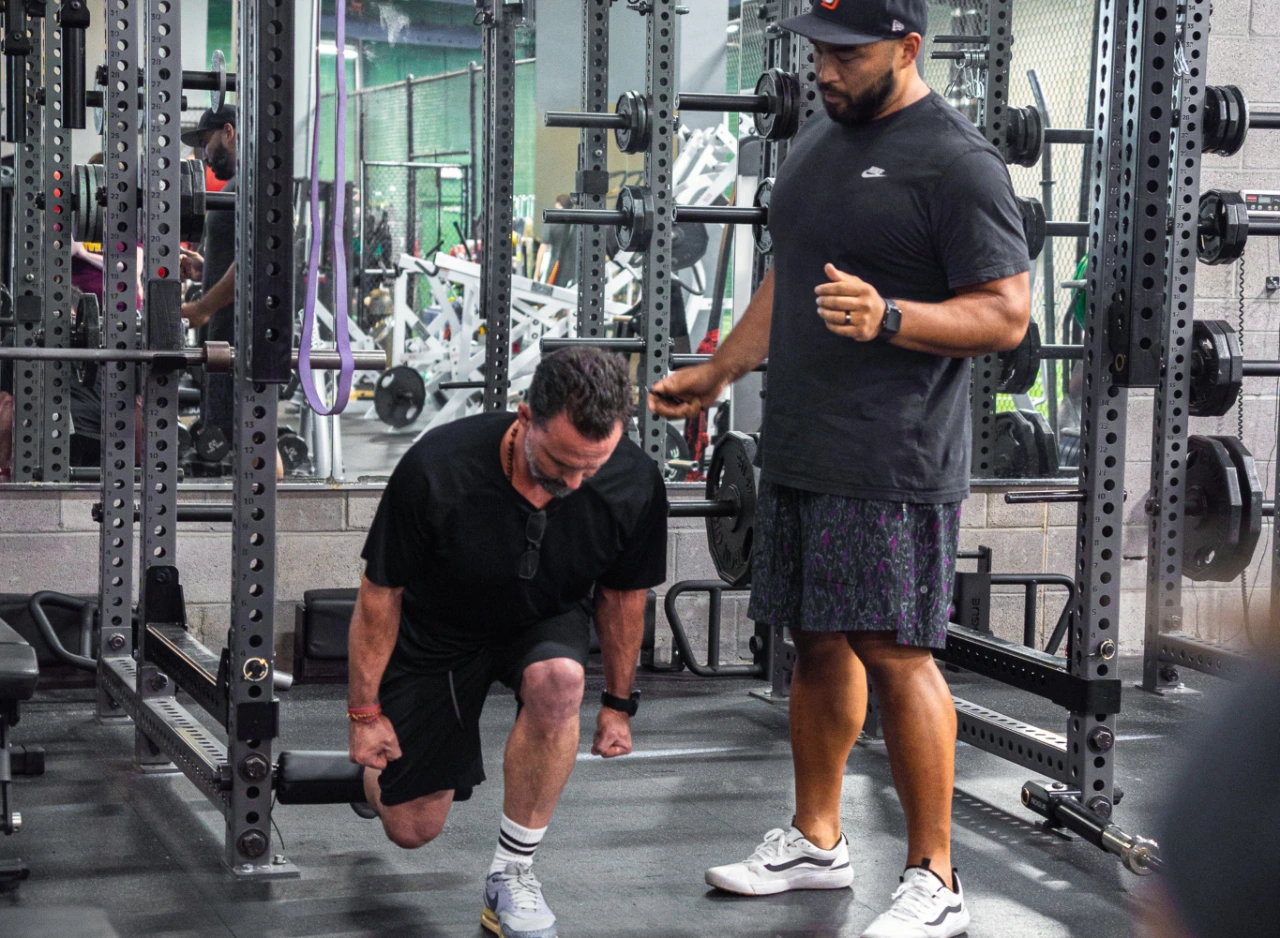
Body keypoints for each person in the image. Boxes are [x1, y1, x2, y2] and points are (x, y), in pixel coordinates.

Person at [650, 2, 1030, 936]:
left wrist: (893, 316)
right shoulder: (818, 144)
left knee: (897, 653)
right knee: (815, 642)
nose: (824, 68)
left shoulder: (958, 162)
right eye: (818, 50)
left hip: (891, 457)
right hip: (804, 443)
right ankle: (819, 841)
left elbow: (1006, 315)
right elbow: (791, 275)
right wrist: (720, 369)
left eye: (846, 54)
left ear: (906, 48)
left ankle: (934, 880)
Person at [348, 347, 668, 938]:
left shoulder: (633, 483)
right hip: (439, 630)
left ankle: (512, 874)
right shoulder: (437, 468)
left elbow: (624, 600)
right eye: (558, 464)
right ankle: (368, 781)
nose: (572, 483)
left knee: (562, 680)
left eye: (589, 470)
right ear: (523, 417)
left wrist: (619, 705)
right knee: (412, 828)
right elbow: (379, 595)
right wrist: (365, 714)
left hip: (542, 619)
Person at [178, 104, 238, 445]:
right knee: (233, 435)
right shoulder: (233, 186)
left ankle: (274, 501)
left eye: (206, 141)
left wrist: (203, 308)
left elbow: (254, 263)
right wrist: (204, 267)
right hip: (223, 336)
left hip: (240, 336)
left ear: (228, 132)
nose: (203, 153)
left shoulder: (256, 184)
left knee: (249, 437)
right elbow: (234, 257)